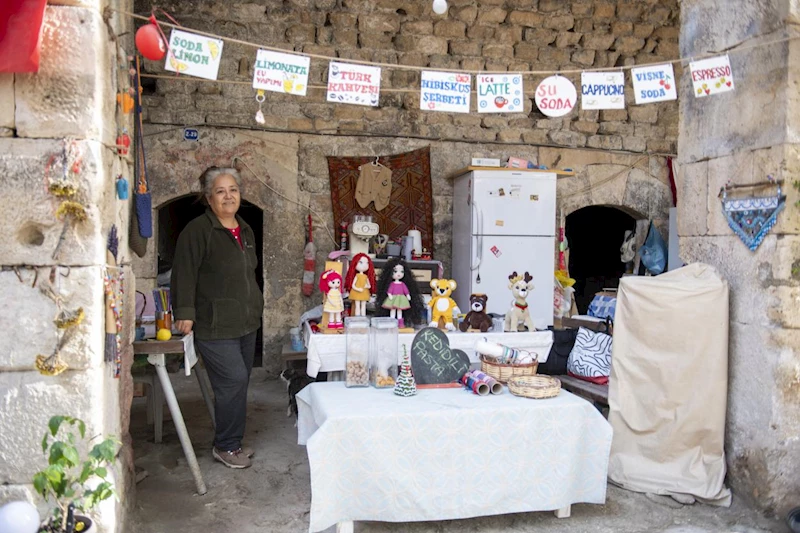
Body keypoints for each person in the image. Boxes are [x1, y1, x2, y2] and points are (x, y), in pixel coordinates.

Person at [171, 166, 262, 469]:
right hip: (214, 322)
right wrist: (184, 312)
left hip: (246, 320)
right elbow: (184, 273)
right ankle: (225, 446)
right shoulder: (197, 231)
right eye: (220, 191)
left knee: (239, 382)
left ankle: (232, 441)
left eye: (233, 189)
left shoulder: (245, 229)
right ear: (209, 198)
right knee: (232, 380)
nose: (228, 196)